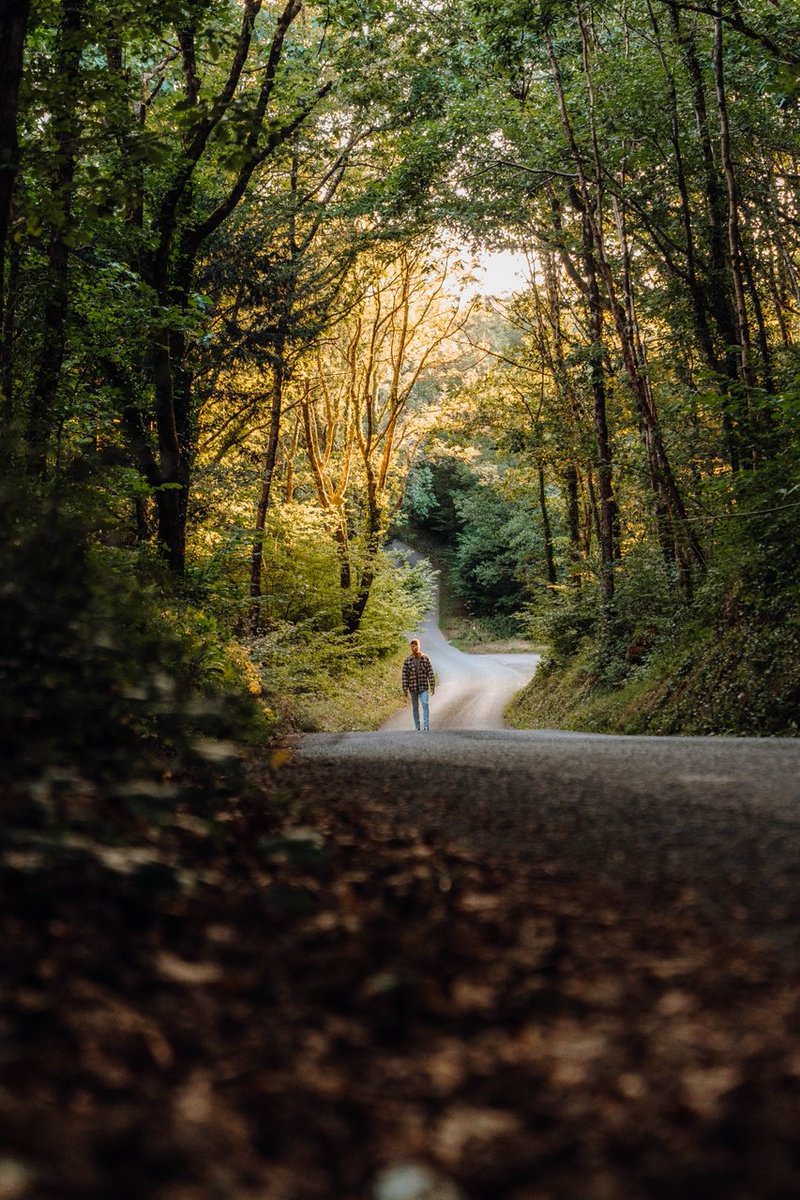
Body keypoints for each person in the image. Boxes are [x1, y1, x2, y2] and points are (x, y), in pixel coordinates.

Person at [401, 638, 436, 731]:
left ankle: (426, 726)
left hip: (423, 686)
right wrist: (405, 688)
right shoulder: (408, 660)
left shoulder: (425, 658)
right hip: (412, 688)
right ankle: (417, 726)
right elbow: (405, 675)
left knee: (425, 704)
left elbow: (430, 672)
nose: (414, 647)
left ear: (419, 646)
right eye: (413, 646)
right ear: (411, 647)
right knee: (415, 707)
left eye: (416, 645)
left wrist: (432, 685)